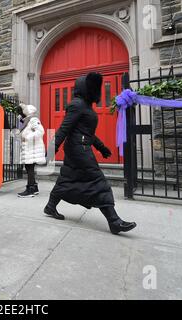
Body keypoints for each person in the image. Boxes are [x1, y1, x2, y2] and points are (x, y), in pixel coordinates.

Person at [44, 72, 137, 235]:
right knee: (98, 181)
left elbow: (88, 133)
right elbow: (64, 128)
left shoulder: (85, 106)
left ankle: (50, 206)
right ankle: (114, 221)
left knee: (66, 178)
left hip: (80, 147)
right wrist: (51, 150)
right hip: (79, 150)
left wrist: (101, 147)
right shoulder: (77, 105)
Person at [16, 103, 46, 197]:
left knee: (29, 168)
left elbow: (41, 131)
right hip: (28, 148)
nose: (20, 115)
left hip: (32, 148)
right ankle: (34, 188)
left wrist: (28, 137)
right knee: (29, 168)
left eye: (21, 113)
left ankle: (30, 189)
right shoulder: (26, 121)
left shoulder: (33, 119)